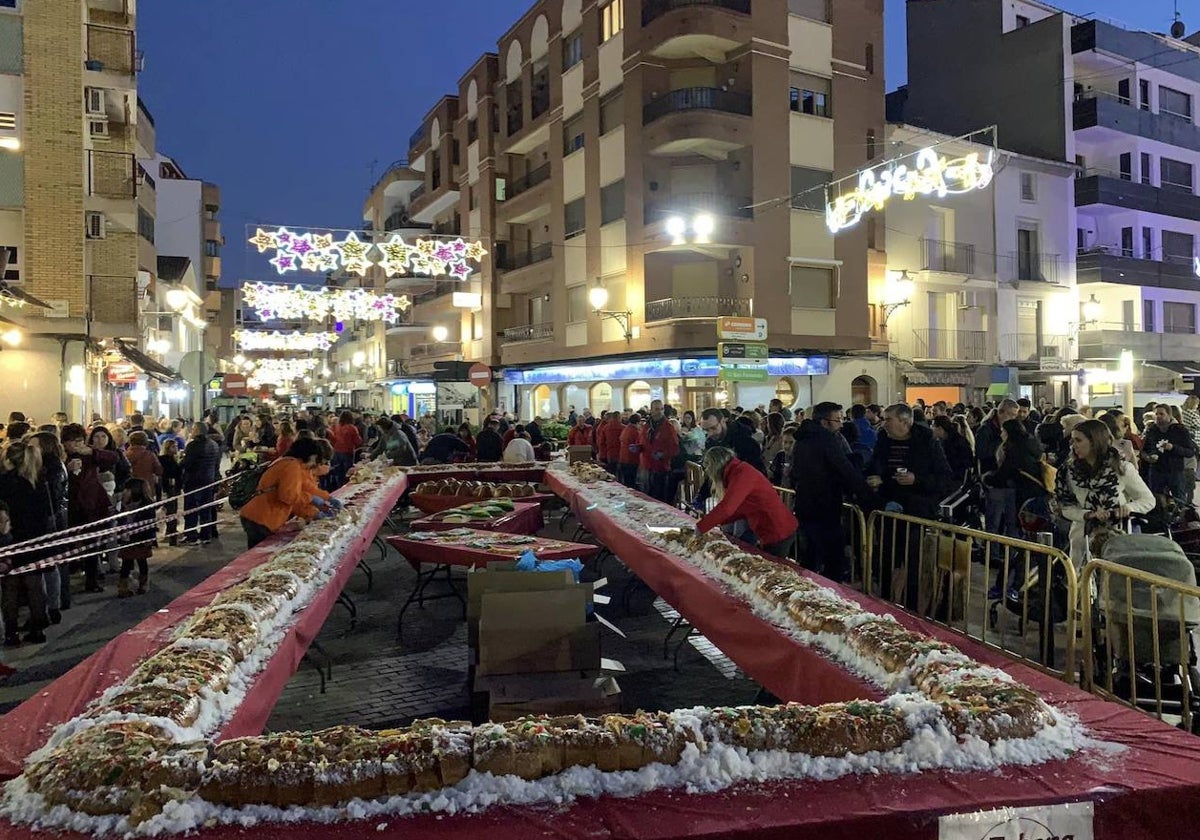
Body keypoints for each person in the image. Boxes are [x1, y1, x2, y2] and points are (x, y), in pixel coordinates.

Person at [790, 403, 875, 581]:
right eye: (837, 420)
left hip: (805, 505)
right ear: (824, 422)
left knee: (810, 556)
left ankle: (807, 594)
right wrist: (868, 496)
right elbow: (844, 470)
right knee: (833, 559)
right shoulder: (826, 440)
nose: (841, 424)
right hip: (825, 507)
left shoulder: (802, 439)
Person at [1054, 418, 1155, 570]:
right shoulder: (1068, 472)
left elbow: (1147, 500)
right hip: (1082, 540)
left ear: (1094, 442)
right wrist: (1087, 515)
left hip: (1116, 540)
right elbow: (1065, 506)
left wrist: (1128, 508)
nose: (1073, 445)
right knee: (1081, 586)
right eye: (1072, 441)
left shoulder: (1121, 469)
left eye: (1078, 440)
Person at [239, 438, 341, 549]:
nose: (316, 464)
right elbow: (288, 497)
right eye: (317, 460)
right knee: (258, 557)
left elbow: (300, 493)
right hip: (262, 517)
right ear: (312, 455)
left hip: (261, 516)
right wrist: (311, 499)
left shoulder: (289, 463)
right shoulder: (292, 466)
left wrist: (317, 507)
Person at [698, 447, 799, 559]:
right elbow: (739, 508)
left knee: (772, 568)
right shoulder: (736, 472)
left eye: (706, 468)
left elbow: (727, 507)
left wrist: (702, 526)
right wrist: (717, 522)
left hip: (778, 530)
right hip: (769, 529)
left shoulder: (742, 473)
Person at [0, 440, 53, 644]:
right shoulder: (37, 482)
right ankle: (38, 628)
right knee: (34, 584)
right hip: (34, 539)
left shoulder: (4, 483)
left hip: (10, 539)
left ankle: (11, 633)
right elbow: (47, 513)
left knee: (10, 587)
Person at [61, 423, 119, 592]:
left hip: (92, 505)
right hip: (69, 506)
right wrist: (66, 467)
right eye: (71, 441)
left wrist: (93, 451)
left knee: (92, 543)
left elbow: (114, 458)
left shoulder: (90, 454)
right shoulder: (61, 456)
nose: (76, 445)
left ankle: (92, 580)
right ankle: (69, 577)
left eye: (79, 441)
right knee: (68, 543)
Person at [30, 431, 69, 616]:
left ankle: (54, 604)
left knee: (50, 564)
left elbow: (53, 495)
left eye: (34, 445)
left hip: (51, 519)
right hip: (50, 517)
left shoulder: (50, 468)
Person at [1143, 404, 1196, 508]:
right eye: (1156, 414)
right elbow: (1145, 450)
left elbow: (1190, 452)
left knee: (1179, 500)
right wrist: (1148, 457)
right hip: (1156, 471)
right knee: (1157, 500)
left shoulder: (1180, 430)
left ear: (1169, 415)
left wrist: (1173, 448)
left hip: (1175, 471)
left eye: (1161, 414)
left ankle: (1181, 522)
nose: (1158, 416)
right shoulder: (1152, 430)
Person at [180, 422, 220, 544]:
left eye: (192, 429)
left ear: (197, 430)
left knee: (191, 510)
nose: (191, 431)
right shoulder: (214, 445)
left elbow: (187, 464)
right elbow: (216, 464)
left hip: (194, 481)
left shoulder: (193, 445)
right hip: (209, 480)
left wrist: (180, 461)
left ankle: (191, 535)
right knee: (206, 509)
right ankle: (205, 534)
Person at [117, 478, 156, 597]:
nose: (125, 491)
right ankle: (123, 588)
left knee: (142, 561)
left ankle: (143, 585)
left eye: (127, 489)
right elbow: (120, 521)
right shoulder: (123, 504)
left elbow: (150, 524)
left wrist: (150, 539)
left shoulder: (147, 506)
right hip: (127, 539)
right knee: (126, 563)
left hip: (141, 538)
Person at [699, 408, 765, 473]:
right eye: (706, 430)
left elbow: (755, 472)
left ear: (723, 421)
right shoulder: (710, 442)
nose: (710, 434)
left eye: (713, 428)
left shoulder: (745, 441)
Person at [639, 399, 679, 503]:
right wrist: (639, 447)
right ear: (651, 410)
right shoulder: (646, 426)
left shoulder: (668, 427)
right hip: (646, 466)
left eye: (661, 409)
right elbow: (643, 443)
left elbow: (675, 448)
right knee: (646, 496)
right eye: (657, 409)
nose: (660, 412)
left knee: (660, 498)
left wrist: (663, 454)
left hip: (661, 468)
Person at [932, 415, 974, 482]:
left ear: (940, 428)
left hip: (956, 480)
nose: (931, 428)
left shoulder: (952, 443)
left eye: (933, 426)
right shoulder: (951, 439)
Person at [329, 411, 362, 488]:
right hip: (348, 452)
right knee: (348, 471)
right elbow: (358, 441)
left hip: (336, 451)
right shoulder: (352, 428)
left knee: (338, 472)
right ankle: (347, 488)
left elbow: (332, 437)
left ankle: (338, 487)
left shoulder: (336, 427)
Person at [125, 431, 163, 496]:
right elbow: (159, 470)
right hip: (146, 487)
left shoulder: (125, 455)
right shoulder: (150, 455)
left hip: (129, 488)